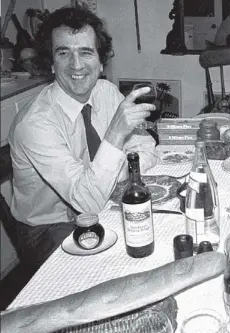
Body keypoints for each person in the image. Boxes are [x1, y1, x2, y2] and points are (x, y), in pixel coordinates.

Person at [7, 6, 158, 271]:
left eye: (86, 52)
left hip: (100, 200)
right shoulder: (35, 123)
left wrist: (117, 173)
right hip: (48, 228)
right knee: (116, 269)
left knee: (151, 238)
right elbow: (89, 203)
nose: (76, 65)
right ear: (51, 63)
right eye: (63, 52)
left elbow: (146, 147)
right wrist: (115, 134)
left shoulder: (105, 91)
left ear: (101, 62)